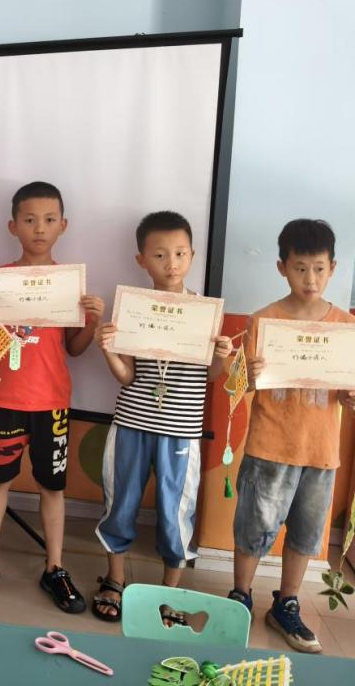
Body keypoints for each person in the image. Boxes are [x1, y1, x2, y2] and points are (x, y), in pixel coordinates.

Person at [0, 181, 103, 614]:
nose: (40, 228)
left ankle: (55, 566)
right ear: (13, 226)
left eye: (49, 220)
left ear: (63, 226)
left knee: (52, 487)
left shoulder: (69, 283)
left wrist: (92, 321)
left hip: (51, 403)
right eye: (30, 220)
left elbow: (74, 349)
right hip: (4, 398)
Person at [91, 211, 231, 621]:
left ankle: (170, 593)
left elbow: (211, 376)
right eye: (160, 255)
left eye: (180, 253)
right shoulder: (133, 308)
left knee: (175, 511)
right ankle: (115, 579)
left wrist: (222, 357)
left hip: (181, 430)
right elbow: (127, 377)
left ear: (192, 256)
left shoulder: (204, 312)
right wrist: (108, 350)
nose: (172, 263)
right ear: (142, 260)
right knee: (120, 501)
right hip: (131, 422)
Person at [229, 218, 355, 653]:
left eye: (319, 269)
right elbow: (239, 388)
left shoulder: (344, 327)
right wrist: (249, 374)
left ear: (333, 268)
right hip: (270, 446)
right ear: (282, 267)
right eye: (301, 268)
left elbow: (347, 393)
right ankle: (240, 598)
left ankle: (286, 603)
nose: (310, 279)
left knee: (306, 534)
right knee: (254, 527)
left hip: (320, 452)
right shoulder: (263, 320)